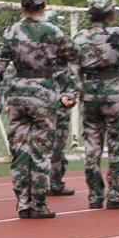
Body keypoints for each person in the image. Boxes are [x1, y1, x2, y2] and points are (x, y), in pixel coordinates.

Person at [0, 0, 78, 219]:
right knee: (40, 151)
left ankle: (23, 202)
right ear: (44, 4)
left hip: (17, 93)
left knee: (20, 151)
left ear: (22, 5)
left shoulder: (11, 31)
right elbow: (75, 55)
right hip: (43, 94)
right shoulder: (53, 31)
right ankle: (38, 203)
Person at [72, 0, 119, 209]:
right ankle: (116, 194)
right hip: (114, 91)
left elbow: (75, 65)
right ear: (110, 12)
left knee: (92, 145)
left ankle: (94, 194)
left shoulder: (79, 36)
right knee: (118, 144)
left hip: (90, 92)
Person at [44, 10, 78, 196]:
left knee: (51, 146)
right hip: (52, 105)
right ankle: (52, 182)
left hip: (49, 103)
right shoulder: (62, 48)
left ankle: (49, 181)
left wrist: (70, 95)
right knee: (54, 146)